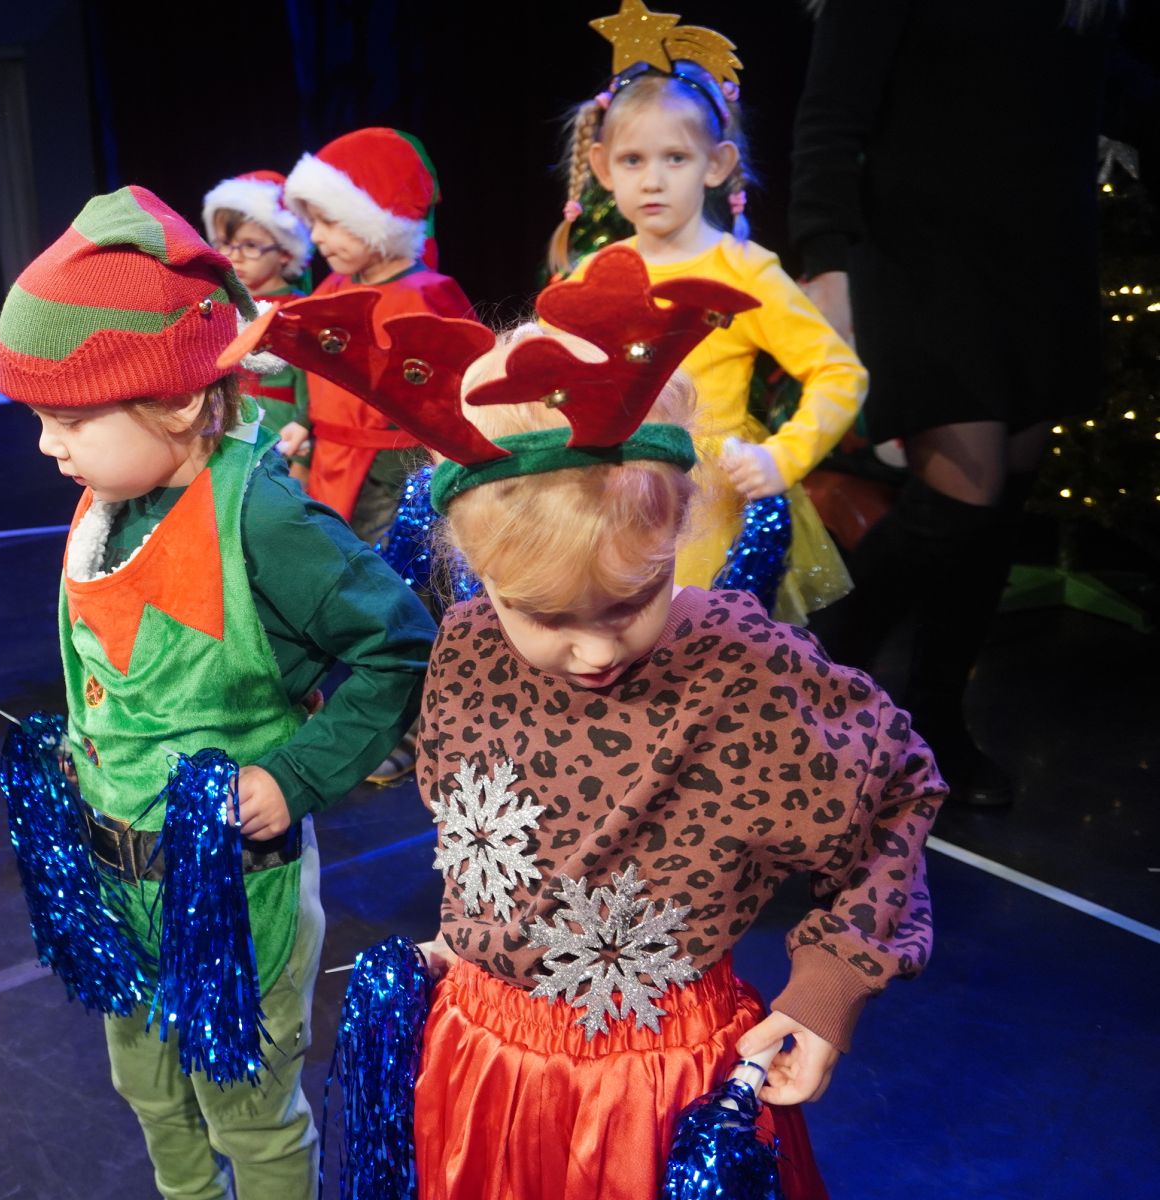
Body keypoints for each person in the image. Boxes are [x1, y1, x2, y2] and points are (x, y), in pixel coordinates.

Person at [294, 248, 939, 1200]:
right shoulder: (467, 649)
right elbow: (496, 845)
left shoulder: (743, 673)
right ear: (478, 573)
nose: (594, 651)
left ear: (676, 532)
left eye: (629, 602)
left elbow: (895, 799)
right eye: (544, 615)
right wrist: (473, 945)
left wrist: (826, 992)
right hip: (483, 1065)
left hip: (654, 1091)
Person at [0, 185, 436, 1200]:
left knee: (248, 1112)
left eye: (70, 418)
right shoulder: (108, 498)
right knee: (149, 1091)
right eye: (41, 419)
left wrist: (295, 776)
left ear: (182, 401)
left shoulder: (263, 519)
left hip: (232, 893)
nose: (48, 444)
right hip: (117, 882)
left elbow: (401, 646)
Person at [789, 0, 1115, 805]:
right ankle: (800, 699)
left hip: (1041, 253)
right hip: (923, 255)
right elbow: (831, 113)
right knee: (960, 494)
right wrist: (824, 258)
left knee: (1001, 498)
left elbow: (1097, 85)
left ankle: (935, 718)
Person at [555, 5, 865, 624]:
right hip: (609, 497)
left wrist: (781, 457)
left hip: (705, 502)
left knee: (691, 642)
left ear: (716, 165)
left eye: (675, 157)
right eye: (634, 161)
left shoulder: (743, 270)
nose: (653, 181)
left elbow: (839, 373)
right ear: (603, 169)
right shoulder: (595, 273)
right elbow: (556, 375)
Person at [282, 127, 471, 544]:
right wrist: (305, 423)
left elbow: (446, 400)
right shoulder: (333, 287)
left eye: (329, 222)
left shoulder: (424, 296)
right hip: (330, 466)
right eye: (313, 222)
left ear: (375, 217)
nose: (316, 236)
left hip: (384, 483)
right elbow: (323, 373)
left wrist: (394, 478)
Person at [201, 169, 312, 477]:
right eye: (224, 243)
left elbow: (314, 389)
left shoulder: (297, 309)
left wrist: (302, 454)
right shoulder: (221, 304)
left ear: (285, 252)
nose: (234, 256)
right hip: (227, 431)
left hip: (280, 433)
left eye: (249, 245)